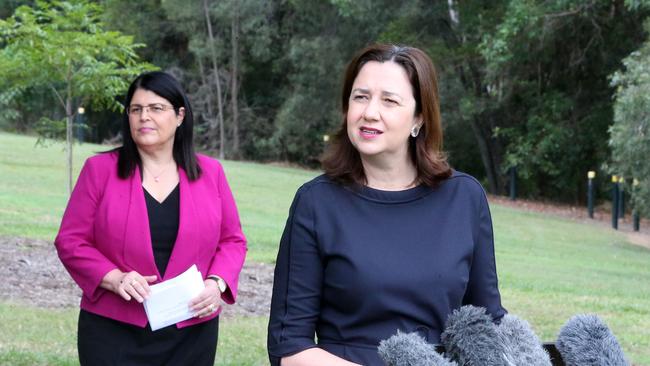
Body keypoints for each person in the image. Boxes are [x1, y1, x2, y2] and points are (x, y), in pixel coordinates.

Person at [267, 44, 506, 366]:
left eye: (389, 101)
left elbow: (488, 321)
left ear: (419, 118)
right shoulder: (316, 202)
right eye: (360, 97)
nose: (369, 112)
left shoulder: (464, 197)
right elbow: (289, 347)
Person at [55, 71, 247, 365]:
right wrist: (114, 277)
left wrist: (216, 283)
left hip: (191, 330)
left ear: (180, 115)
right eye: (136, 109)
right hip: (113, 331)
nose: (144, 117)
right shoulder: (99, 170)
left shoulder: (212, 173)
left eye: (156, 108)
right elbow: (70, 241)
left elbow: (232, 240)